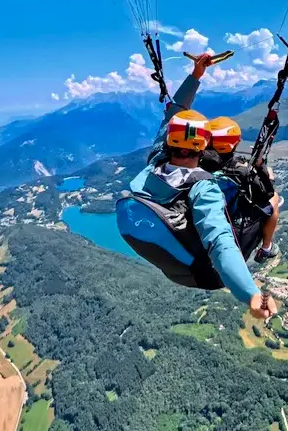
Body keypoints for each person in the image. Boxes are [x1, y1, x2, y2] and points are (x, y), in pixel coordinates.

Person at [115, 54, 277, 319]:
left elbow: (175, 111)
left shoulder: (154, 162)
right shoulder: (203, 187)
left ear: (169, 139)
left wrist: (196, 75)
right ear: (203, 148)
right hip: (205, 274)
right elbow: (220, 241)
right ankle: (267, 249)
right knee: (268, 203)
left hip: (173, 261)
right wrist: (250, 294)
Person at [201, 116, 283, 259]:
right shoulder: (240, 171)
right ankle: (266, 248)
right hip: (232, 218)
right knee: (275, 199)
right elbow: (267, 193)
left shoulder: (196, 162)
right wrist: (261, 167)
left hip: (205, 219)